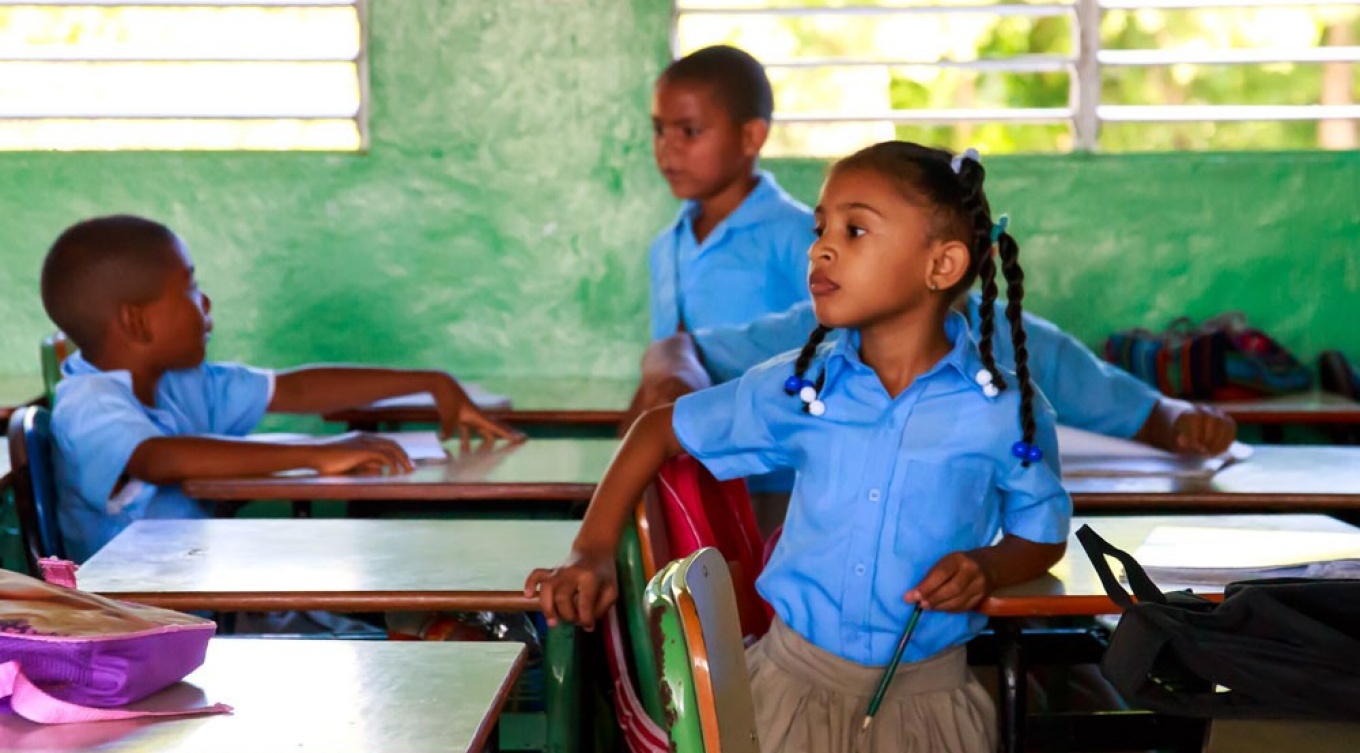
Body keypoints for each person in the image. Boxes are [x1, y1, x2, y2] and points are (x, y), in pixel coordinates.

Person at [528, 143, 1072, 752]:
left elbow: (1043, 533)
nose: (821, 247)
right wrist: (593, 550)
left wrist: (988, 567)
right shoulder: (802, 388)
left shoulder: (1004, 411)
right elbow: (657, 429)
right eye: (821, 229)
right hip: (788, 694)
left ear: (942, 265)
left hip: (931, 708)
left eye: (855, 228)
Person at [42, 215, 520, 562]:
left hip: (195, 592)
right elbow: (159, 458)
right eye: (190, 288)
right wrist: (318, 454)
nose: (205, 301)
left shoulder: (182, 383)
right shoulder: (88, 402)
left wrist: (432, 383)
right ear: (136, 320)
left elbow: (298, 390)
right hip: (130, 623)